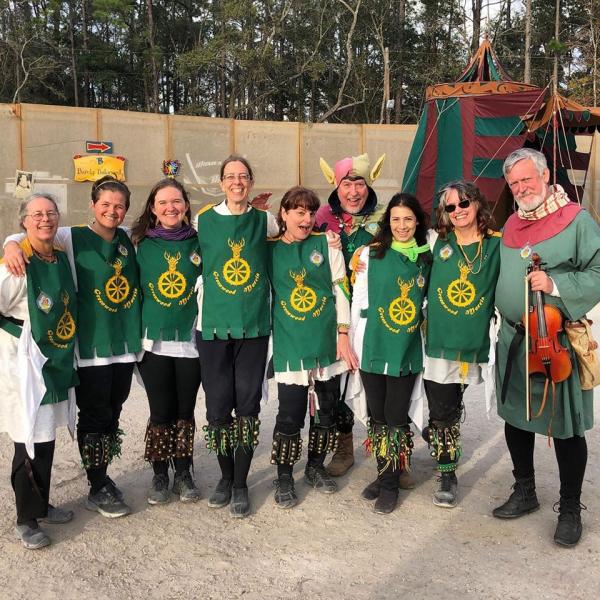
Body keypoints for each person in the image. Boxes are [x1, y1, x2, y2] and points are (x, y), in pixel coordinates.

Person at [3, 176, 141, 518]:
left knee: (112, 415)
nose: (112, 211)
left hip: (123, 346)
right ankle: (95, 485)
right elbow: (32, 233)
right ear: (92, 206)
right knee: (91, 418)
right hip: (88, 348)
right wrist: (10, 245)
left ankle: (100, 477)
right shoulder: (71, 237)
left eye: (119, 205)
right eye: (105, 204)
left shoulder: (128, 240)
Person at [493, 148, 600, 547]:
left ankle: (570, 508)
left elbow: (599, 269)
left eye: (527, 180)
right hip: (512, 338)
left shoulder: (576, 221)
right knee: (516, 418)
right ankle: (525, 491)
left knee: (566, 427)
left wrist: (556, 286)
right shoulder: (511, 223)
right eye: (514, 183)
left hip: (554, 341)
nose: (521, 189)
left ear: (545, 175)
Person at [194, 155, 280, 518]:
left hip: (253, 328)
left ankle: (242, 483)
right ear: (221, 182)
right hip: (212, 327)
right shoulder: (202, 219)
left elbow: (293, 237)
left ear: (250, 181)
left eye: (243, 176)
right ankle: (225, 478)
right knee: (217, 409)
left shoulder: (266, 220)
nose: (237, 182)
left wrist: (331, 243)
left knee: (247, 407)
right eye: (230, 176)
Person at [267, 186, 357, 509]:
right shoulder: (270, 250)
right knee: (289, 415)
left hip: (326, 344)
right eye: (298, 212)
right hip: (291, 346)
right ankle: (284, 476)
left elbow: (340, 288)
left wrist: (343, 333)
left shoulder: (326, 244)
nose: (305, 219)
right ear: (284, 215)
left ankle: (315, 467)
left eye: (310, 213)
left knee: (326, 413)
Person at [0, 194, 78, 549]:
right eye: (37, 215)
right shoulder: (14, 266)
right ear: (24, 222)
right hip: (27, 363)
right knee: (28, 437)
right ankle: (26, 518)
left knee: (46, 436)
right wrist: (21, 338)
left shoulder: (59, 256)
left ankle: (41, 503)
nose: (45, 219)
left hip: (56, 358)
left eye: (51, 213)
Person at [351, 193, 431, 514]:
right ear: (388, 222)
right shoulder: (370, 255)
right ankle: (387, 474)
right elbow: (359, 299)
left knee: (396, 419)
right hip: (373, 345)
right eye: (396, 219)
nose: (401, 226)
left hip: (407, 348)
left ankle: (389, 484)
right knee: (377, 417)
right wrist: (353, 342)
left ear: (417, 222)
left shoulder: (427, 257)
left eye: (408, 219)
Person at [423, 181, 501, 508]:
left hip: (475, 342)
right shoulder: (434, 242)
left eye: (464, 203)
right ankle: (446, 473)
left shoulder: (498, 244)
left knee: (451, 404)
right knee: (442, 409)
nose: (458, 211)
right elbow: (396, 243)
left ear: (477, 204)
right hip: (438, 343)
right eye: (451, 207)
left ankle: (441, 432)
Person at [315, 152, 386, 478]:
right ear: (336, 185)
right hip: (330, 315)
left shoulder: (386, 219)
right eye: (347, 183)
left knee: (376, 381)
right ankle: (344, 446)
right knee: (334, 383)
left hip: (373, 316)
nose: (354, 191)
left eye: (360, 183)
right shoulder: (319, 219)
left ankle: (387, 450)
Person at [131, 179, 202, 505]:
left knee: (185, 410)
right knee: (161, 410)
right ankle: (160, 474)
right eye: (163, 202)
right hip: (153, 343)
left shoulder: (201, 242)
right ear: (153, 208)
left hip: (190, 341)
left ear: (186, 205)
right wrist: (15, 242)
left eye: (177, 201)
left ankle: (184, 472)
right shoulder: (139, 245)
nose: (171, 207)